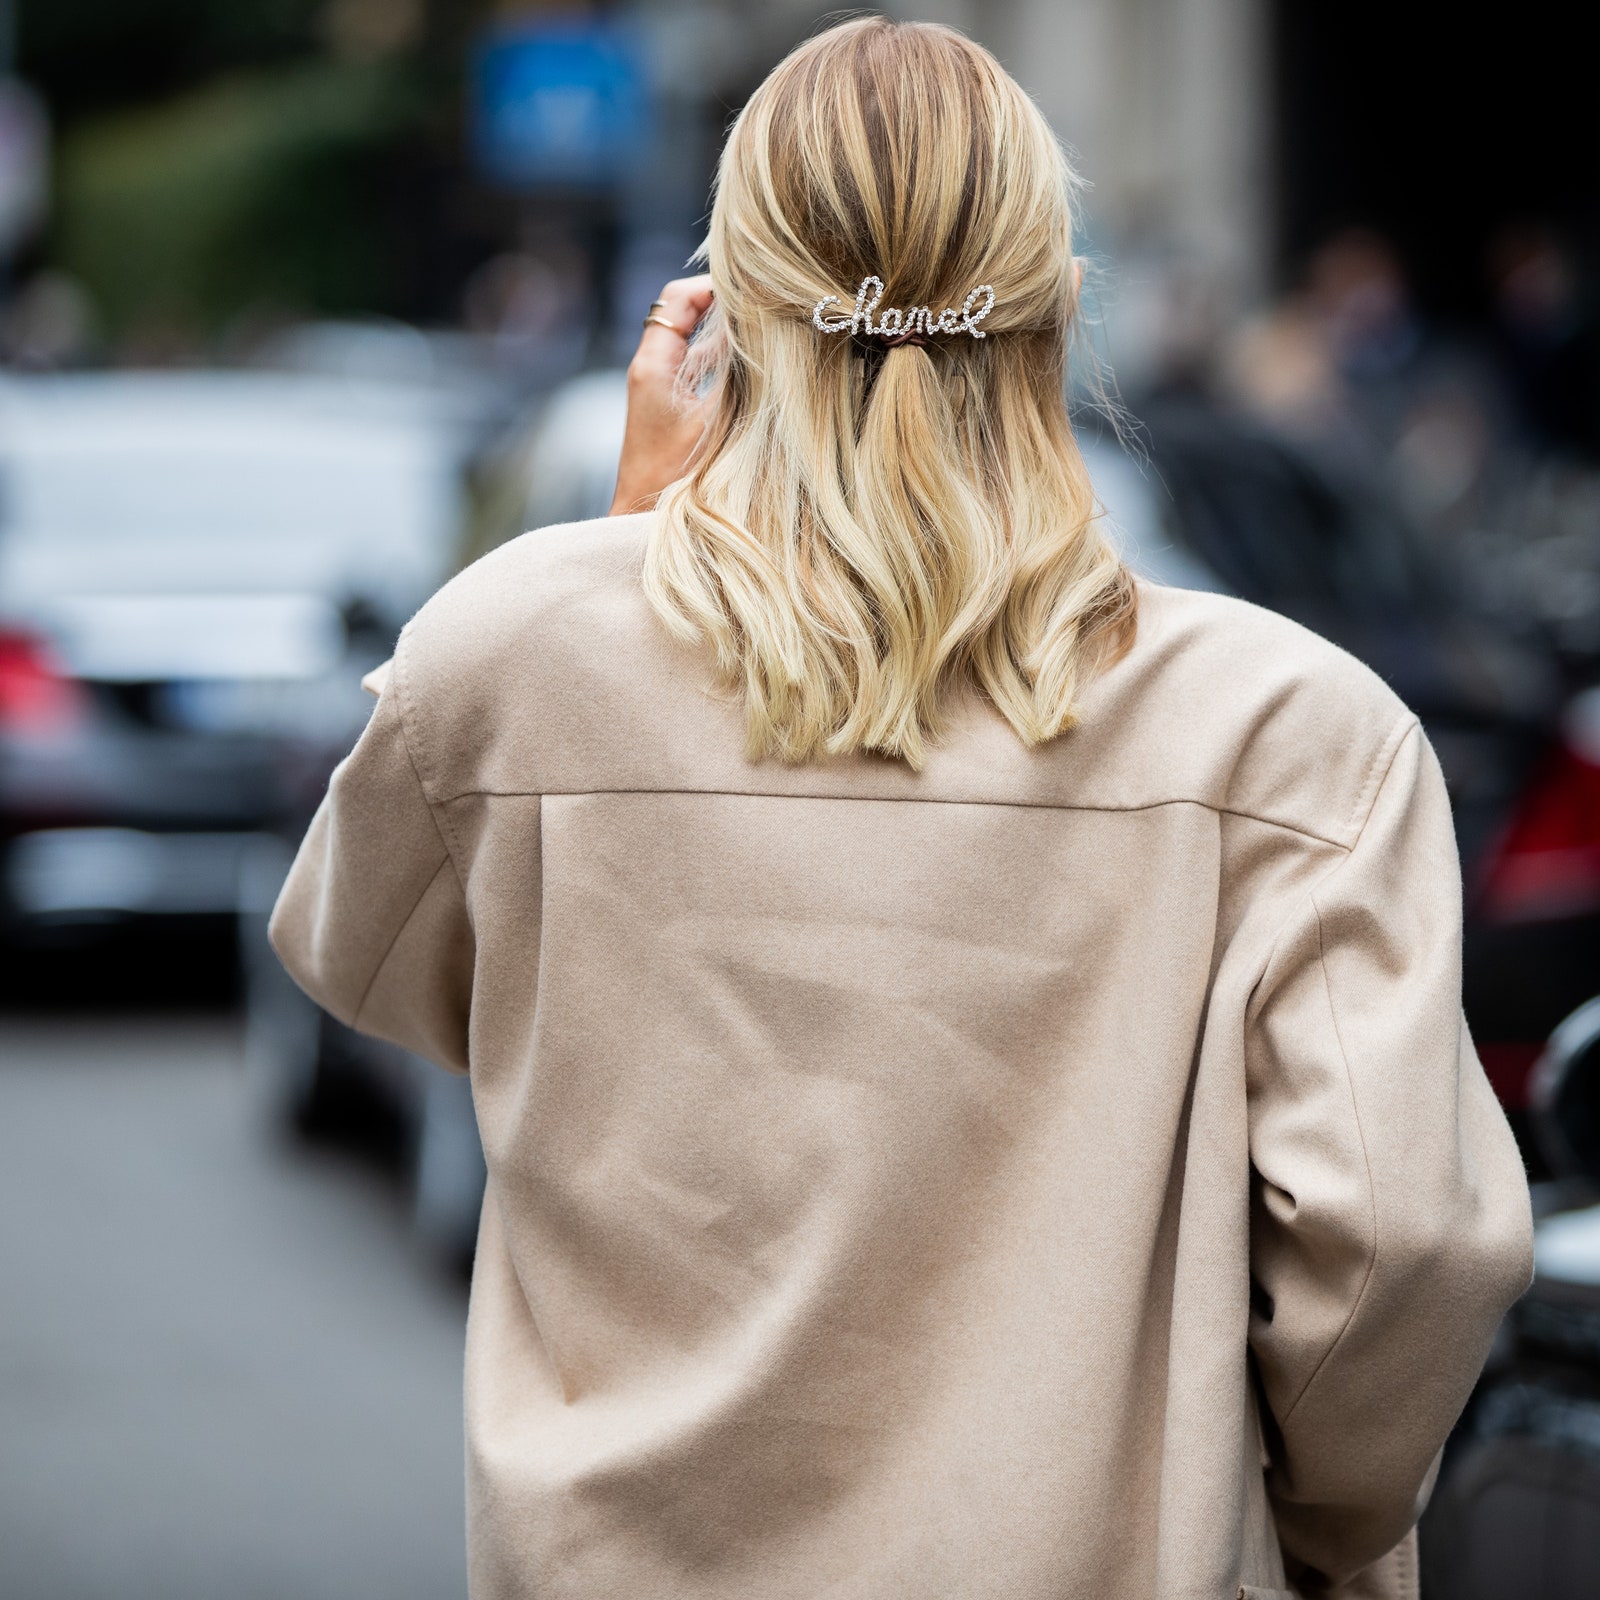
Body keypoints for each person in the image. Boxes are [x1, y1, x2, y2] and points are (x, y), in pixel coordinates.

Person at [269, 19, 1532, 1599]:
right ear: (1068, 311)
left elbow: (369, 962)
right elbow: (1403, 1248)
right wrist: (1316, 1529)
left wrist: (628, 549)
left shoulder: (511, 655)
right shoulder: (1298, 737)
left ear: (723, 317)